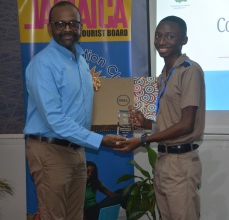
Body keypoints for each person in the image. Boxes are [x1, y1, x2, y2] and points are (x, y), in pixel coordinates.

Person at [23, 2, 125, 220]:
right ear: (50, 28)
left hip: (76, 150)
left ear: (80, 27)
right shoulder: (43, 64)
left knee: (75, 216)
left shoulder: (80, 60)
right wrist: (99, 140)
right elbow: (54, 119)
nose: (67, 29)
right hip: (50, 151)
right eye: (60, 24)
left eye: (72, 23)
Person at [116, 16, 206, 220]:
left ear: (184, 40)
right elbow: (167, 123)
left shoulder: (189, 70)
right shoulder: (163, 75)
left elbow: (186, 124)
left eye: (170, 36)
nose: (162, 41)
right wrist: (144, 122)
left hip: (181, 162)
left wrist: (142, 140)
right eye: (158, 35)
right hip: (164, 160)